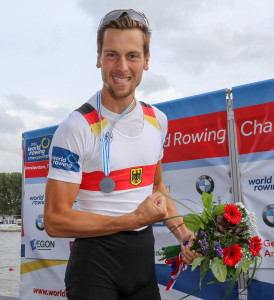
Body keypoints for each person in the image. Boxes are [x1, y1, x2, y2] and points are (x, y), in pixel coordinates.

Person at [44, 9, 200, 300]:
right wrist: (131, 219)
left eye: (132, 56)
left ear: (146, 61)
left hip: (142, 262)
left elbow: (156, 188)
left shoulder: (158, 121)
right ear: (98, 59)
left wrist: (183, 234)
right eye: (111, 54)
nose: (122, 67)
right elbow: (54, 220)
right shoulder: (76, 127)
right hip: (94, 264)